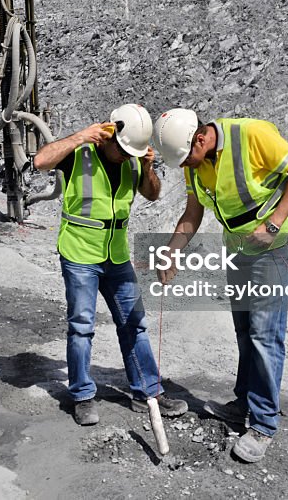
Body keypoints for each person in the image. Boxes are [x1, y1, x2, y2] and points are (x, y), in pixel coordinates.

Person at [154, 109, 288, 462]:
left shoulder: (251, 134)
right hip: (238, 246)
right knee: (245, 328)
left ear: (200, 139)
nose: (185, 167)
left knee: (264, 333)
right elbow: (192, 214)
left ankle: (264, 424)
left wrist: (271, 225)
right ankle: (245, 402)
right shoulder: (195, 163)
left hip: (276, 243)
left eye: (186, 159)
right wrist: (171, 252)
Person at [34, 104, 188, 426]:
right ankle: (82, 395)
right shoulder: (81, 151)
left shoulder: (133, 160)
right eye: (121, 148)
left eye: (130, 151)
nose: (123, 155)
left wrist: (146, 169)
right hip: (80, 254)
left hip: (116, 255)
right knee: (81, 327)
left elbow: (153, 194)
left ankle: (147, 392)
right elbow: (40, 161)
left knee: (135, 323)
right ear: (108, 131)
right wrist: (80, 136)